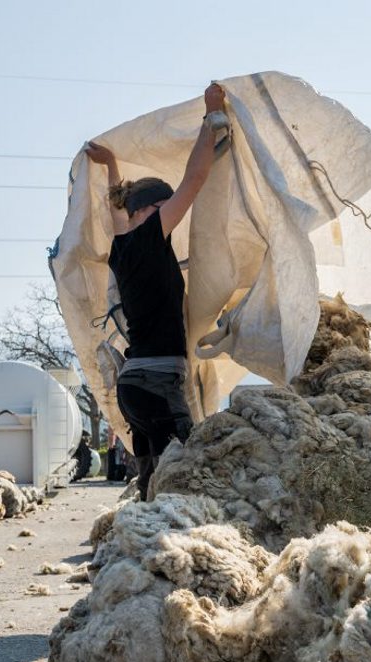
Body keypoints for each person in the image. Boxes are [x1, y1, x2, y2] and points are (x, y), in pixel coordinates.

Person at [84, 83, 228, 499]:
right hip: (157, 385)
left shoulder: (123, 247)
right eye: (163, 207)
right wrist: (210, 116)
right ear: (148, 211)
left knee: (152, 490)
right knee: (186, 478)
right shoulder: (148, 235)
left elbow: (116, 210)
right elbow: (195, 179)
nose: (171, 215)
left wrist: (111, 165)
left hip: (135, 389)